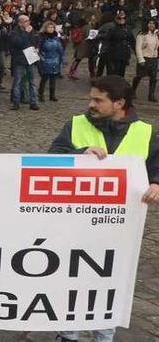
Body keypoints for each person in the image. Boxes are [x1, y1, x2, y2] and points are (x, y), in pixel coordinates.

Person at [50, 75, 159, 342]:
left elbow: (156, 167)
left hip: (119, 227)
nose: (91, 104)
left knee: (111, 281)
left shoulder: (145, 132)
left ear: (119, 103)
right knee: (72, 279)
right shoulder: (75, 125)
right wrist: (80, 153)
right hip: (76, 222)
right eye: (91, 98)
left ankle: (104, 335)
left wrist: (157, 183)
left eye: (98, 100)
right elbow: (51, 157)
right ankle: (68, 333)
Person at [10, 14, 40, 111]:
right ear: (20, 23)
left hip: (30, 58)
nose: (28, 23)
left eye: (28, 21)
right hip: (19, 60)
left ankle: (33, 102)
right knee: (17, 82)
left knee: (32, 82)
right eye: (26, 21)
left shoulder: (31, 31)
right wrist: (26, 33)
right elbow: (18, 43)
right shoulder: (15, 32)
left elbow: (35, 41)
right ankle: (16, 102)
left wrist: (37, 47)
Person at [38, 21, 64, 102]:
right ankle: (41, 94)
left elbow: (60, 49)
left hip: (55, 60)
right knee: (44, 78)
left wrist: (62, 58)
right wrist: (42, 58)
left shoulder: (56, 38)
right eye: (49, 27)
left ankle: (52, 95)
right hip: (45, 60)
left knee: (53, 79)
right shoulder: (42, 38)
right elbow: (39, 49)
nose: (51, 29)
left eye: (52, 27)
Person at [132, 19, 158, 101]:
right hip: (144, 58)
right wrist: (140, 59)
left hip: (154, 59)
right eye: (150, 23)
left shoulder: (156, 35)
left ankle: (151, 95)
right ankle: (132, 91)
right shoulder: (142, 34)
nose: (151, 25)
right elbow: (138, 48)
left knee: (154, 78)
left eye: (153, 24)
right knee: (139, 76)